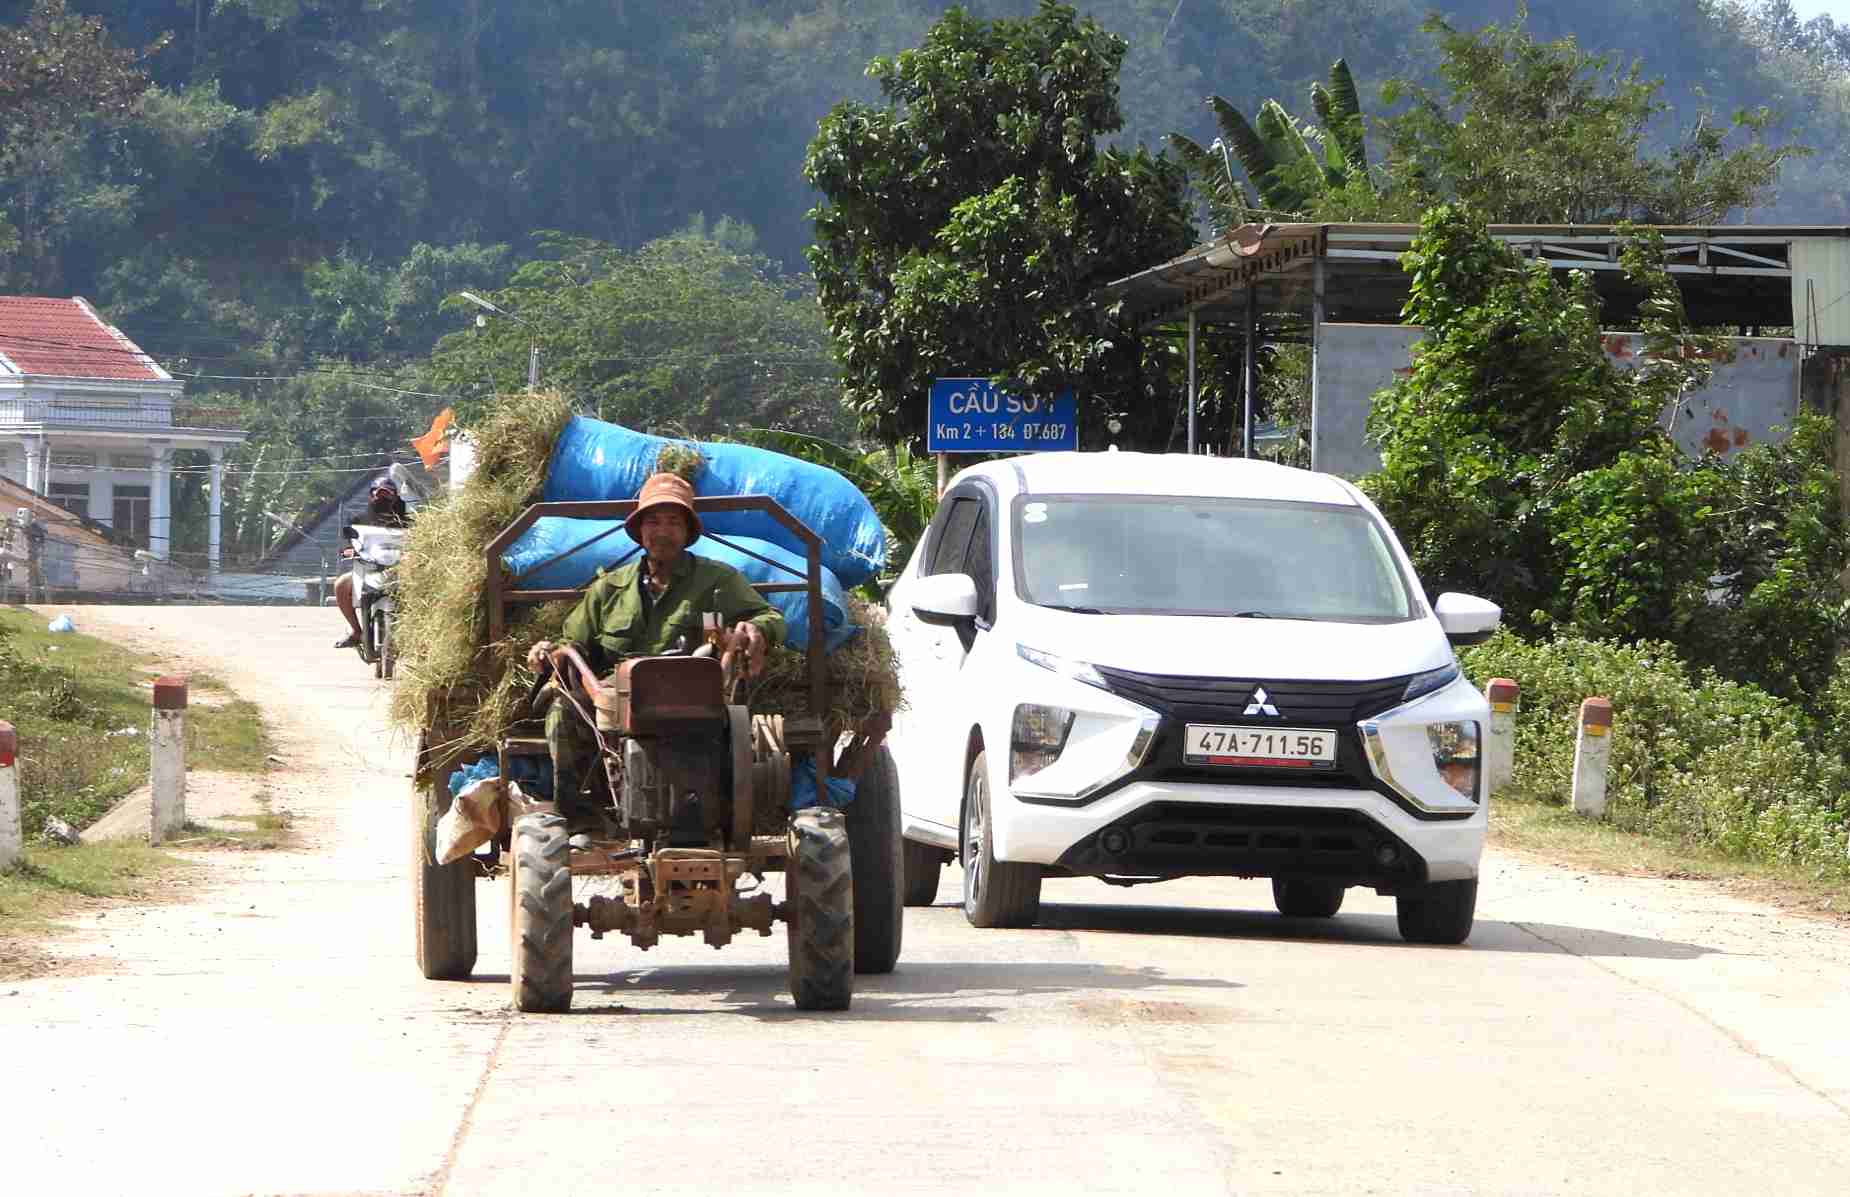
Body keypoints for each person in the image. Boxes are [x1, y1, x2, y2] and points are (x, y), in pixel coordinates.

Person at [526, 471, 784, 824]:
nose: (663, 531)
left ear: (687, 532)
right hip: (618, 700)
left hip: (695, 695)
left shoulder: (718, 580)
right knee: (563, 713)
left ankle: (718, 814)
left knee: (729, 730)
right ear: (640, 530)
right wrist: (547, 653)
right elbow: (571, 643)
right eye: (654, 521)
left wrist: (756, 629)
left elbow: (767, 615)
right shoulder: (608, 589)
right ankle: (577, 815)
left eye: (674, 522)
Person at [333, 475, 411, 649]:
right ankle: (356, 631)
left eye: (387, 494)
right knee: (340, 584)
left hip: (400, 573)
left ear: (395, 497)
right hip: (366, 569)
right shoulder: (358, 521)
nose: (382, 498)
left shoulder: (408, 522)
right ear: (371, 496)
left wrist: (413, 554)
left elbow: (419, 542)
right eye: (378, 494)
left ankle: (416, 635)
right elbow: (346, 544)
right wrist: (348, 550)